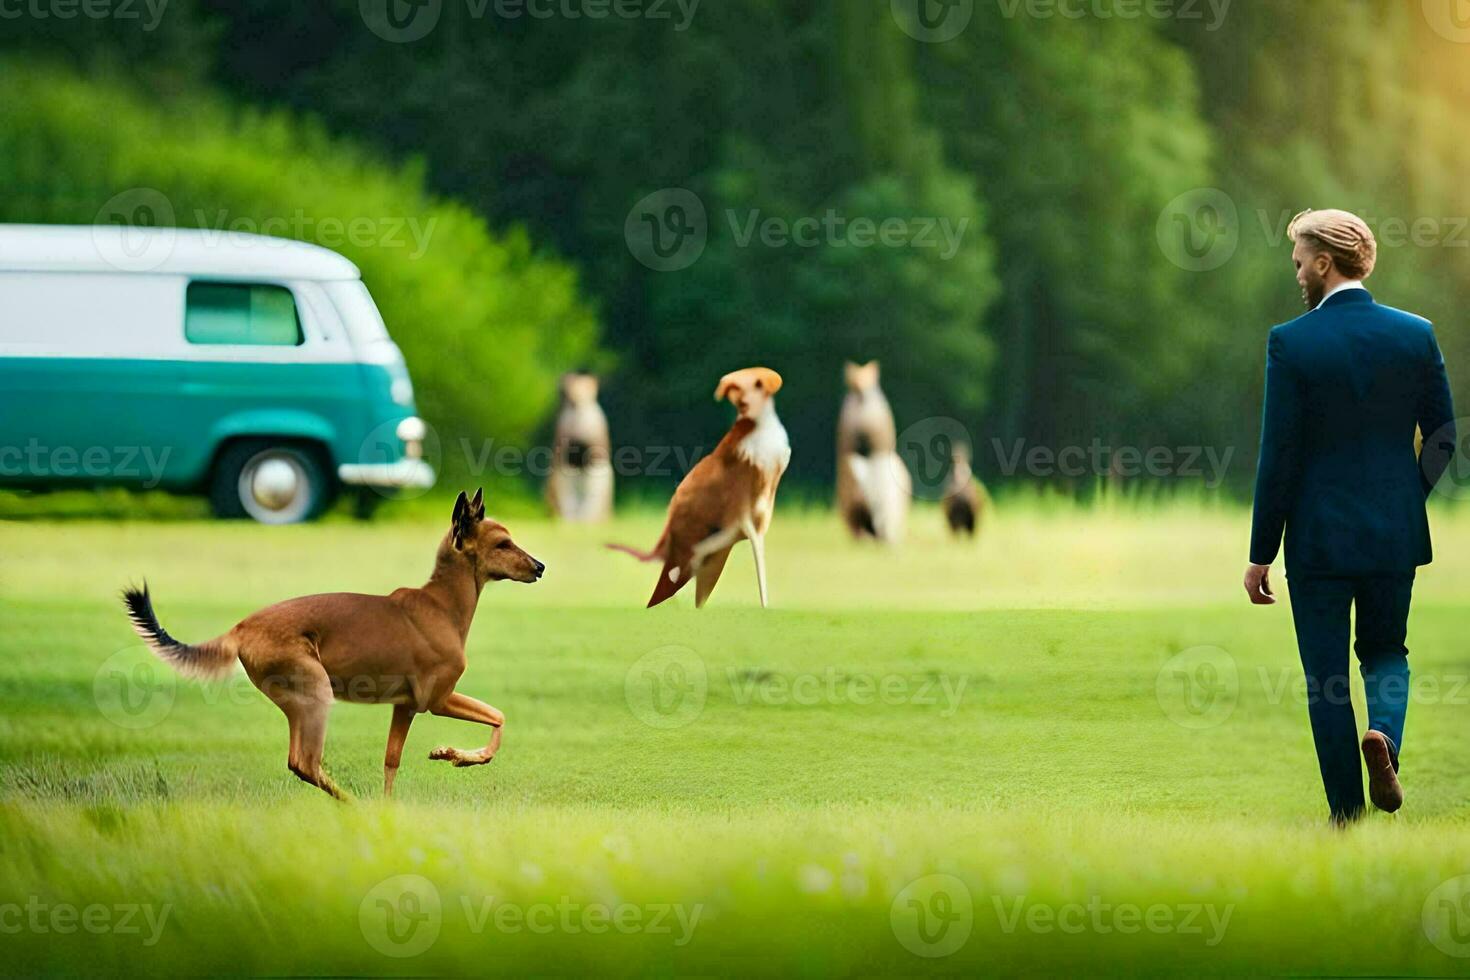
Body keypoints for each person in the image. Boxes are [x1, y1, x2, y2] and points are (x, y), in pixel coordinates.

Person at [1245, 208, 1457, 824]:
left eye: (1298, 263)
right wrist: (1403, 498)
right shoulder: (1415, 334)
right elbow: (1443, 437)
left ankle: (1346, 818)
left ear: (1323, 262)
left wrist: (1262, 551)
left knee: (1327, 680)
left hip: (1317, 541)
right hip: (1394, 535)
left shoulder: (1292, 342)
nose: (1296, 275)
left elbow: (1277, 455)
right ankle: (1385, 737)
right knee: (1388, 651)